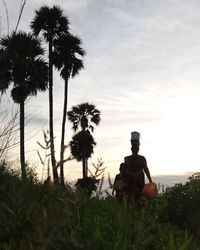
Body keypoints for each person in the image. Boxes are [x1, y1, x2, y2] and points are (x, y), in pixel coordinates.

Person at [123, 131, 152, 207]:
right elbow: (124, 171)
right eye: (134, 147)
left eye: (136, 147)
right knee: (132, 200)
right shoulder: (127, 159)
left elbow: (146, 170)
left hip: (139, 183)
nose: (135, 148)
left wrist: (150, 180)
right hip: (131, 183)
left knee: (138, 200)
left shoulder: (141, 158)